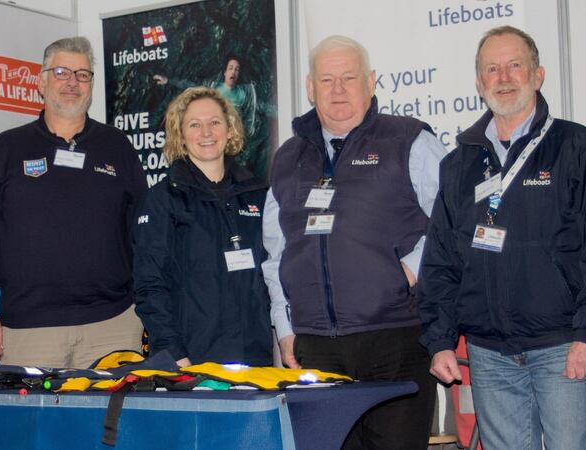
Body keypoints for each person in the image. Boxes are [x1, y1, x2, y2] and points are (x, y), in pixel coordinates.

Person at [262, 35, 446, 449]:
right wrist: (285, 327)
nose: (338, 89)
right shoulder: (287, 158)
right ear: (311, 87)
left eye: (349, 78)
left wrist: (408, 272)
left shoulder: (410, 141)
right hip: (315, 348)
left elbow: (451, 224)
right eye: (327, 80)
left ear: (371, 81)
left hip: (396, 339)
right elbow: (276, 255)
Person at [419, 26, 586, 450]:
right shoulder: (459, 164)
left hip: (562, 346)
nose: (504, 77)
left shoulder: (574, 146)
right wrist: (439, 341)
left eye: (515, 65)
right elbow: (441, 259)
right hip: (489, 355)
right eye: (492, 69)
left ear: (538, 74)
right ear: (478, 83)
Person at [0, 37, 147, 369]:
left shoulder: (118, 147)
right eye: (61, 72)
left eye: (83, 74)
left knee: (116, 422)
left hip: (114, 326)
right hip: (29, 332)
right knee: (33, 423)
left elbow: (144, 235)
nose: (72, 82)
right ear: (41, 81)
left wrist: (147, 309)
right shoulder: (7, 149)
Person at [133, 86, 273, 367]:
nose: (206, 132)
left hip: (256, 357)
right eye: (194, 125)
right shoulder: (163, 199)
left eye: (215, 122)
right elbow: (150, 285)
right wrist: (173, 353)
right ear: (181, 136)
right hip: (193, 358)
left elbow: (272, 274)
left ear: (230, 130)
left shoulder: (257, 192)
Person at [153, 57, 275, 178]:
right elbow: (191, 86)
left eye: (237, 69)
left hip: (234, 138)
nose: (233, 72)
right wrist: (168, 80)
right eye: (231, 68)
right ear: (225, 72)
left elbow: (251, 116)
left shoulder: (245, 92)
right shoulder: (213, 88)